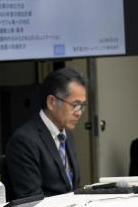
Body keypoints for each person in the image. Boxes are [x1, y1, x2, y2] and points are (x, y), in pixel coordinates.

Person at [5, 67, 86, 198]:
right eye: (75, 105)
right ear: (52, 102)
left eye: (82, 106)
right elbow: (31, 200)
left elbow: (73, 187)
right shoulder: (24, 141)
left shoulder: (67, 135)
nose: (79, 112)